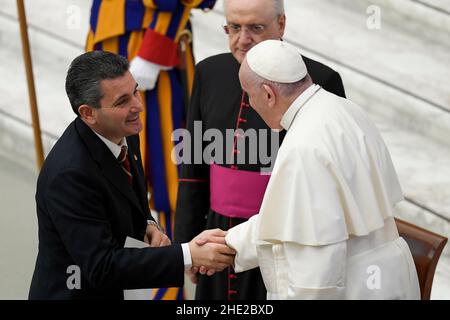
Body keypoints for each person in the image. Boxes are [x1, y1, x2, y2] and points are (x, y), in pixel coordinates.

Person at [174, 0, 346, 300]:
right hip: (217, 236)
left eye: (256, 28)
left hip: (283, 237)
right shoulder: (207, 72)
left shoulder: (321, 80)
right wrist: (187, 245)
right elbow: (193, 170)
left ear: (281, 24)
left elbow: (330, 179)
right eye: (234, 28)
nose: (243, 40)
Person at [222, 39, 421, 299]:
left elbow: (315, 272)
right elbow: (292, 218)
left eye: (250, 95)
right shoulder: (345, 109)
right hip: (390, 278)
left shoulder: (302, 147)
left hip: (356, 288)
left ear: (269, 95)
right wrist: (230, 243)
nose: (250, 102)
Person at [28, 51, 235, 300]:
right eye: (122, 101)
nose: (138, 106)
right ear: (88, 113)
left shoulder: (125, 131)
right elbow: (102, 267)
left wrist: (146, 224)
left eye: (135, 91)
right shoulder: (69, 175)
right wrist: (188, 254)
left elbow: (127, 196)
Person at [86, 0, 217, 246]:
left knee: (169, 173)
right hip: (108, 38)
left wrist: (155, 51)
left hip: (147, 46)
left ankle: (177, 267)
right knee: (107, 167)